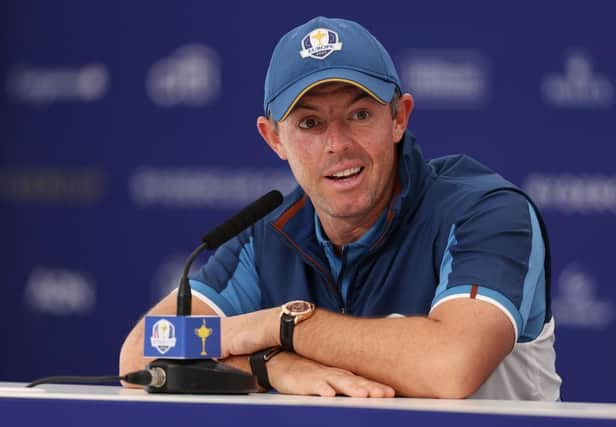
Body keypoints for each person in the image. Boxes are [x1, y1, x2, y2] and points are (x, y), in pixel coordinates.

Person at [120, 16, 561, 400]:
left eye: (360, 115)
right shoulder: (268, 236)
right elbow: (145, 351)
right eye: (310, 123)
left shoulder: (484, 212)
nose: (338, 145)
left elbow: (452, 365)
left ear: (399, 117)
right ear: (273, 139)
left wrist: (286, 325)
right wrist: (270, 365)